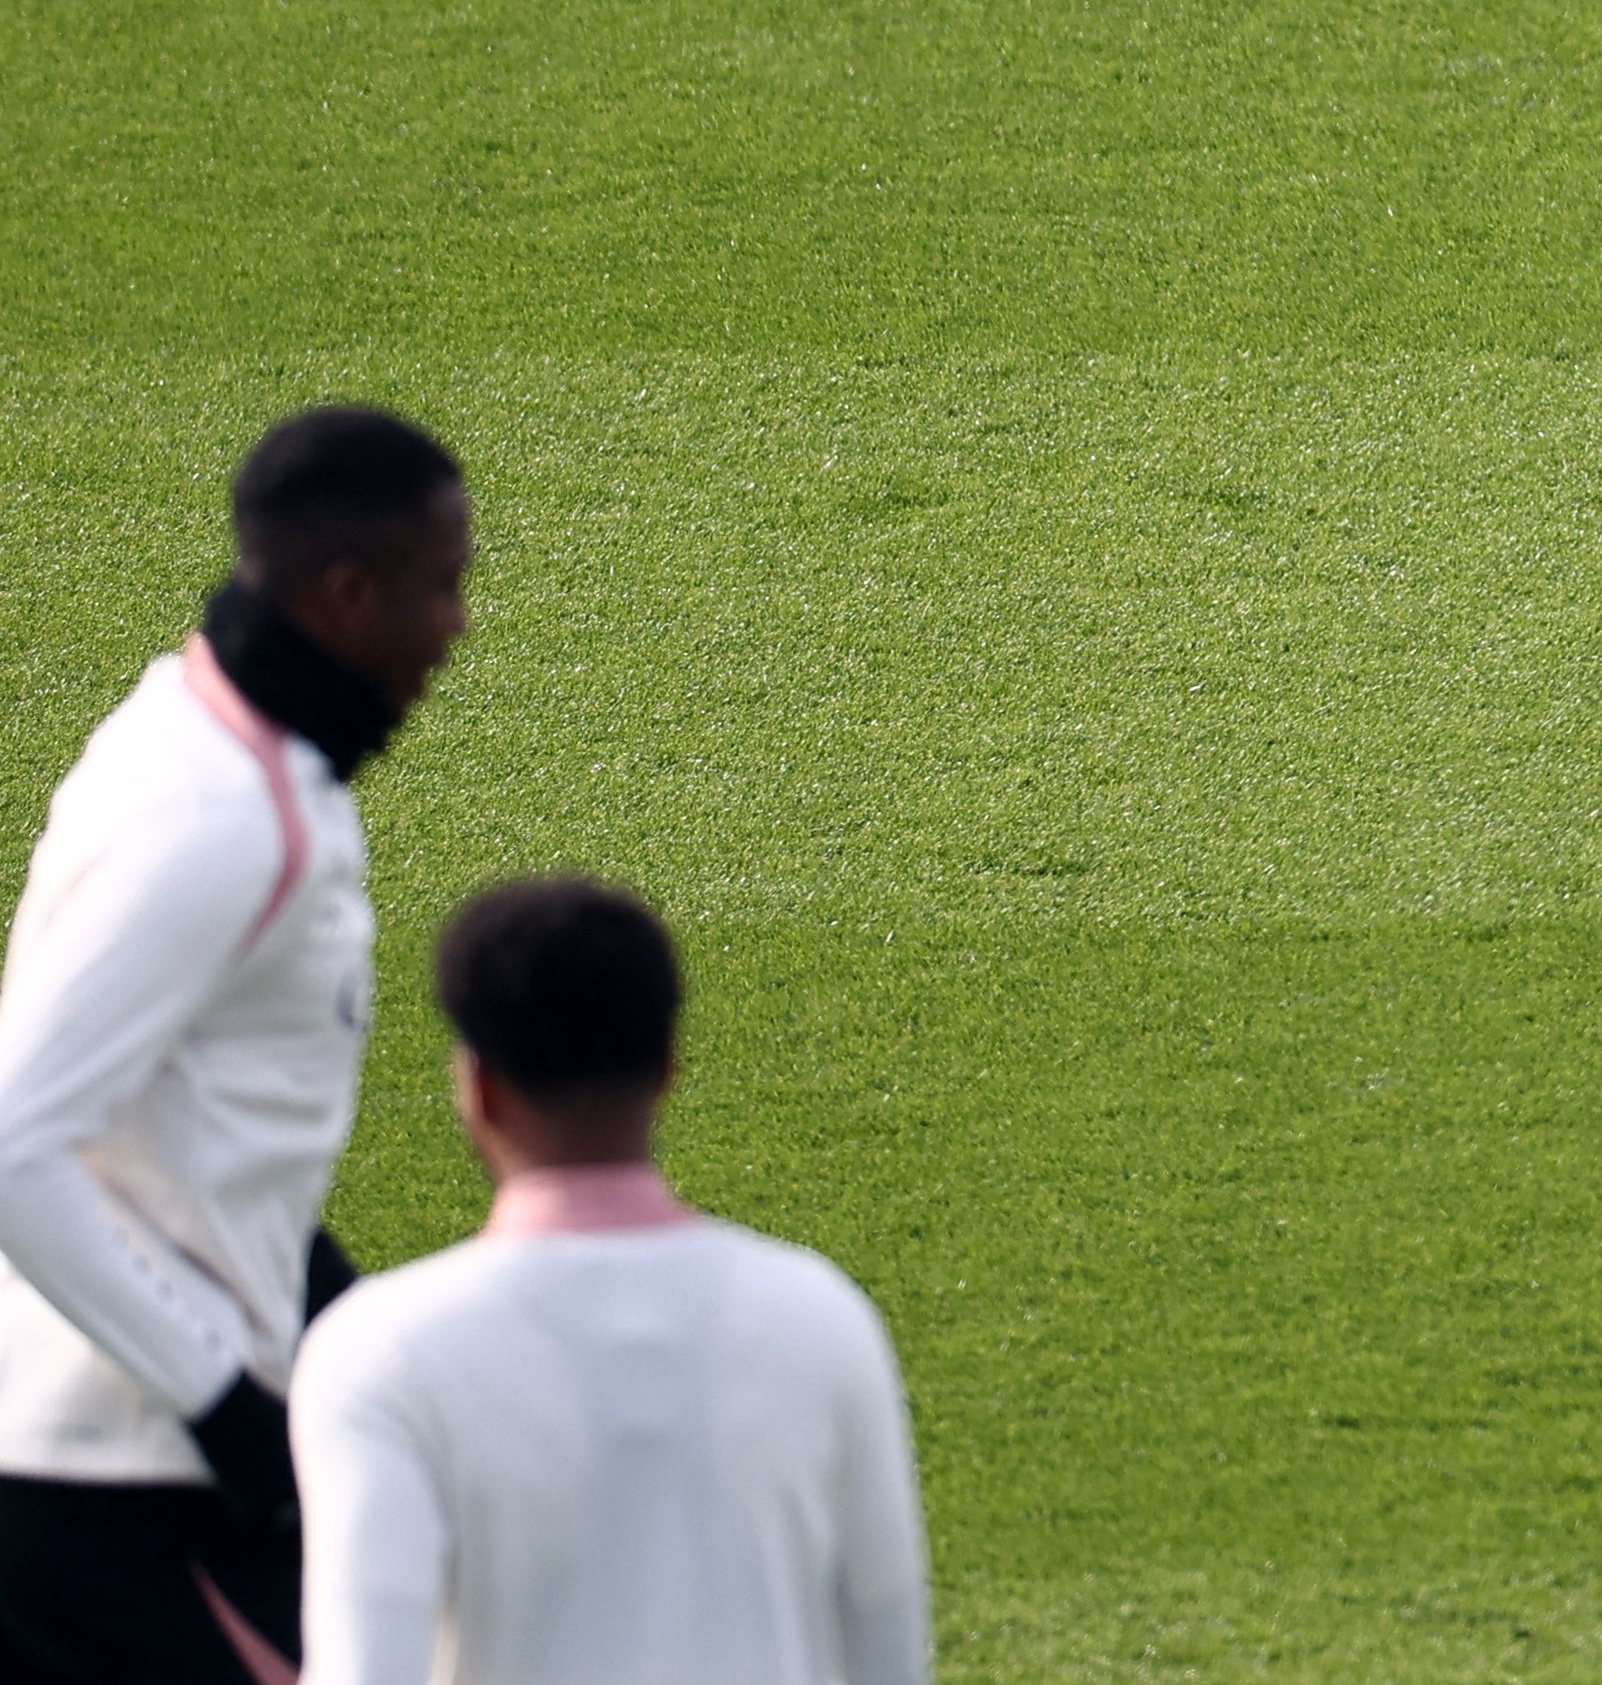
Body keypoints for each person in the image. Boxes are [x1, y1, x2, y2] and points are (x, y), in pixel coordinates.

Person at [0, 405, 469, 1682]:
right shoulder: (228, 820)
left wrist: (337, 1324)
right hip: (124, 1487)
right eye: (442, 587)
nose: (458, 626)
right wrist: (230, 1415)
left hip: (104, 1457)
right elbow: (15, 1141)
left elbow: (177, 1139)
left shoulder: (189, 731)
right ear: (347, 591)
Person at [294, 877, 929, 1685]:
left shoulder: (380, 1352)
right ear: (667, 1068)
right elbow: (890, 1656)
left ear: (478, 1087)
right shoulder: (823, 1320)